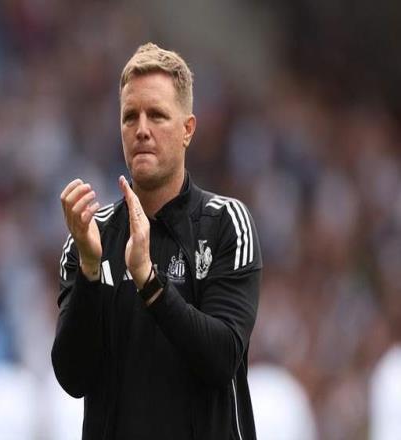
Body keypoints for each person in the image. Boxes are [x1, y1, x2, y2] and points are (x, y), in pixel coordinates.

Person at [52, 42, 262, 440]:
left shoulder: (225, 223)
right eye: (130, 116)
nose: (142, 129)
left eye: (157, 115)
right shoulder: (90, 237)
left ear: (187, 130)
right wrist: (91, 270)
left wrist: (149, 282)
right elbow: (73, 377)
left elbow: (222, 359)